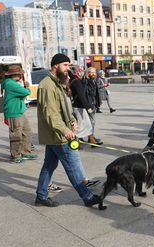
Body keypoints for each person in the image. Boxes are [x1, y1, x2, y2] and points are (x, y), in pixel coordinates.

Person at [35, 53, 100, 207]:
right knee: (73, 165)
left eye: (69, 65)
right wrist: (65, 130)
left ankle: (41, 196)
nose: (67, 69)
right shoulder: (47, 85)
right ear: (55, 66)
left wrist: (72, 122)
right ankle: (87, 197)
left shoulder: (58, 83)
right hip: (58, 135)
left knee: (49, 165)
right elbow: (51, 114)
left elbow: (65, 107)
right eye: (65, 65)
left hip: (56, 134)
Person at [2, 65, 38, 163]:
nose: (22, 75)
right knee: (16, 135)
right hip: (13, 112)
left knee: (27, 132)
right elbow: (26, 92)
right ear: (17, 74)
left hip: (19, 111)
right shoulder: (11, 84)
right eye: (21, 74)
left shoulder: (12, 82)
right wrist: (27, 87)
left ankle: (25, 152)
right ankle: (16, 155)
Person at [82, 67, 103, 146]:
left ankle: (91, 137)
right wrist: (87, 106)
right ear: (88, 73)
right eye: (91, 72)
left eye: (94, 72)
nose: (93, 74)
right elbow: (85, 94)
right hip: (89, 105)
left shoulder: (94, 81)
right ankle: (91, 138)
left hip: (94, 104)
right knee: (91, 122)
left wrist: (99, 101)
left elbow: (96, 93)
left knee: (92, 122)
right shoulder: (86, 82)